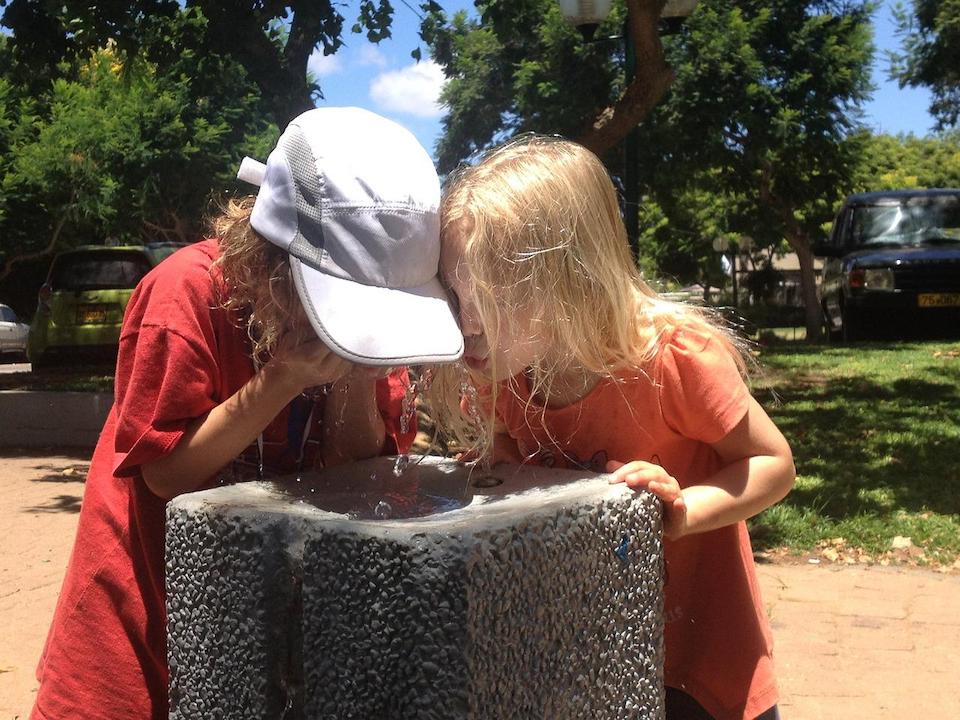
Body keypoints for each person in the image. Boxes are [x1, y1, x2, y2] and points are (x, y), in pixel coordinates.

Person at [30, 107, 463, 720]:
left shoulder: (375, 333)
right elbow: (165, 477)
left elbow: (360, 477)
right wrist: (281, 381)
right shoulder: (187, 292)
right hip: (138, 638)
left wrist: (353, 373)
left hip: (269, 649)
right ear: (269, 260)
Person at [432, 135, 795, 720]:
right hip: (585, 643)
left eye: (493, 298)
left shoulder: (674, 358)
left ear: (569, 280)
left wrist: (683, 512)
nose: (466, 323)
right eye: (452, 293)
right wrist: (496, 468)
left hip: (700, 654)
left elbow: (774, 466)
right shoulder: (509, 371)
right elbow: (509, 445)